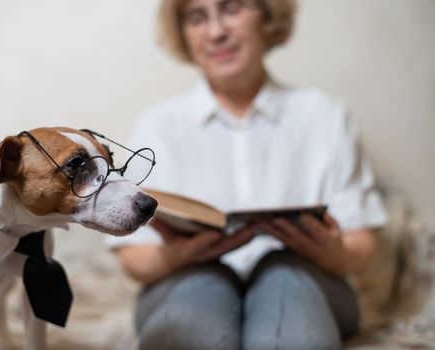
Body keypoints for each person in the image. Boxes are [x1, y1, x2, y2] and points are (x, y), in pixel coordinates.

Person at [106, 0, 388, 349]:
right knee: (197, 297)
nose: (216, 32)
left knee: (282, 275)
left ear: (267, 17)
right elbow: (134, 258)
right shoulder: (158, 127)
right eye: (197, 17)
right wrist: (182, 255)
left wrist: (329, 251)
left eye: (232, 9)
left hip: (309, 279)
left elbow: (362, 248)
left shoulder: (324, 116)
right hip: (187, 279)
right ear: (184, 34)